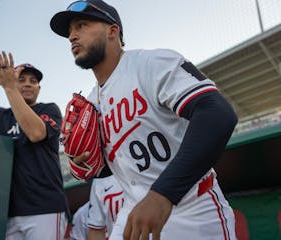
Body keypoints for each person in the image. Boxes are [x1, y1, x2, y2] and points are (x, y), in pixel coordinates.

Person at [50, 1, 238, 239]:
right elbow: (124, 163)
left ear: (112, 30)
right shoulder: (91, 102)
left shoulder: (152, 63)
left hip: (192, 208)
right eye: (69, 32)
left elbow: (218, 113)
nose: (72, 36)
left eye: (82, 25)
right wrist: (90, 166)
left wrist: (163, 193)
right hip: (134, 210)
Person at [0, 52, 68, 240]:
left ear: (38, 88)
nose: (27, 83)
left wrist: (10, 89)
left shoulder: (48, 109)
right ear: (12, 81)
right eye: (21, 79)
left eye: (33, 81)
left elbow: (36, 133)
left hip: (45, 209)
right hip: (6, 212)